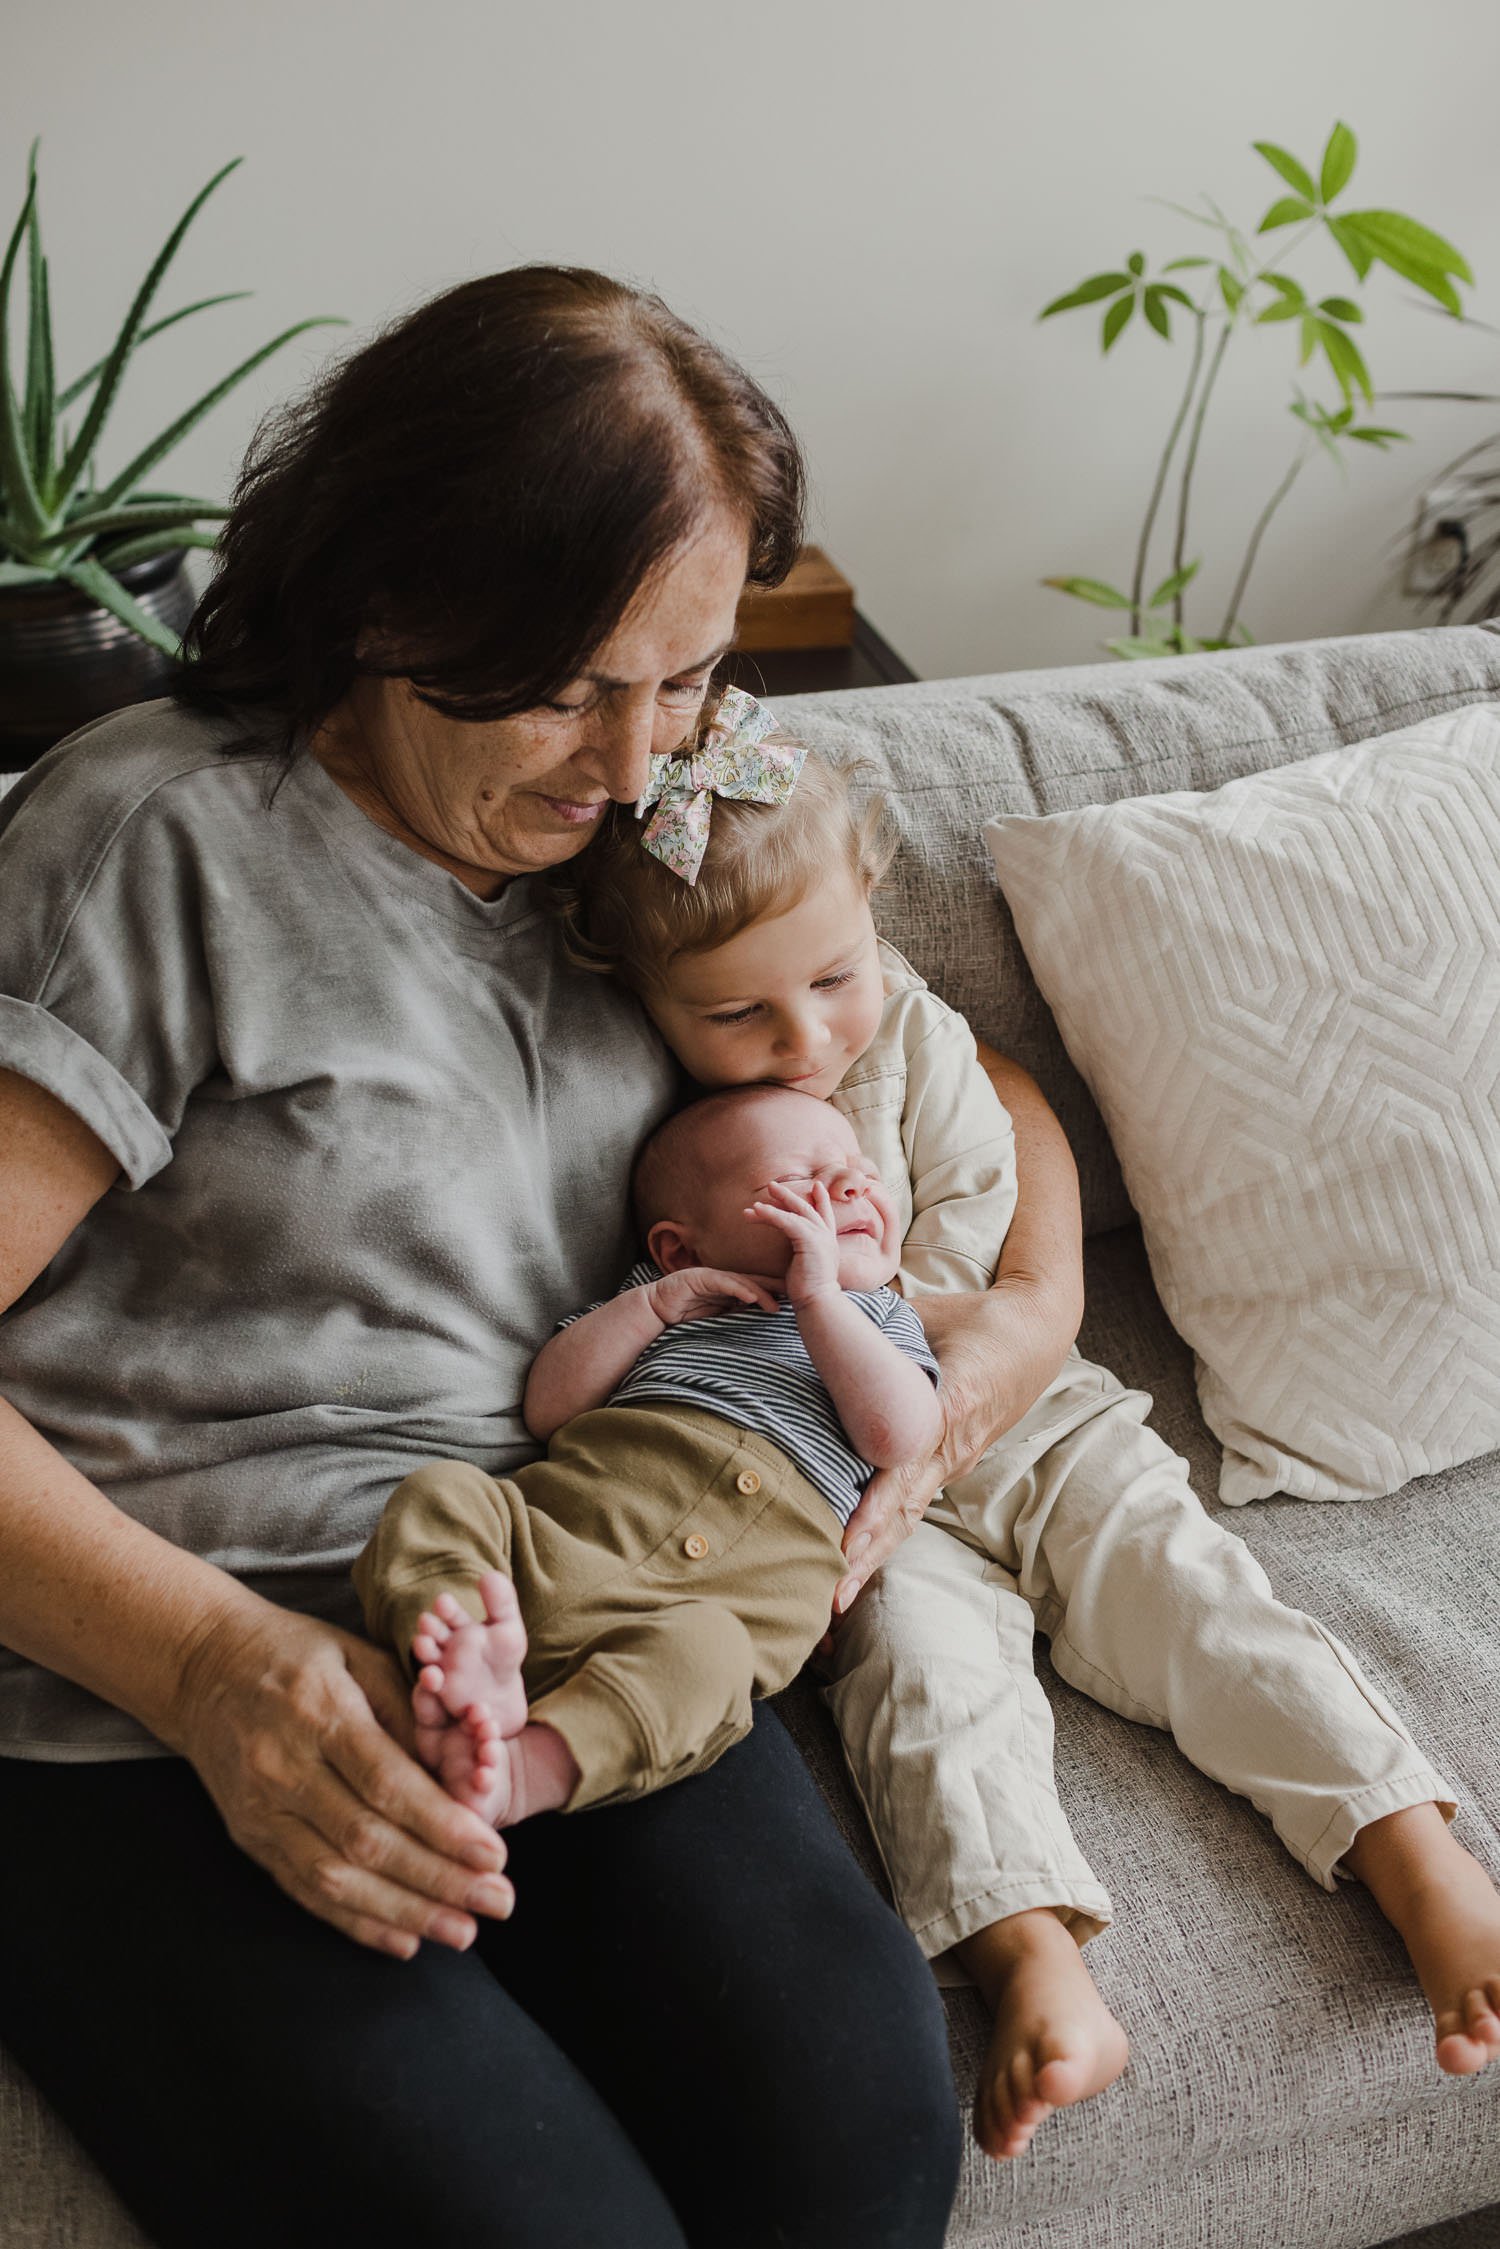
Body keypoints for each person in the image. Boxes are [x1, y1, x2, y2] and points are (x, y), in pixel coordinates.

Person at [0, 266, 1112, 2248]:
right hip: (143, 1684)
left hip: (567, 1595)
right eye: (568, 681)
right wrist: (209, 1661)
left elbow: (968, 1065)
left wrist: (1008, 1339)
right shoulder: (150, 840)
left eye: (680, 675)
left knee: (855, 2143)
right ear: (387, 594)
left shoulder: (663, 834)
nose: (628, 756)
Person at [570, 719, 1500, 2166]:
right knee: (926, 1698)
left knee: (1200, 1602)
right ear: (648, 1004)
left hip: (1038, 1423)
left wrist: (948, 1313)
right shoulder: (653, 1127)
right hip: (867, 1492)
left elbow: (997, 1218)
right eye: (738, 1016)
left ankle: (1414, 1852)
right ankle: (1032, 1963)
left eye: (832, 978)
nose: (808, 1040)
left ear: (872, 912)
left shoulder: (922, 1039)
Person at [354, 1085, 943, 1827]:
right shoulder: (666, 1297)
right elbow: (550, 1404)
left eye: (861, 1169)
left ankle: (528, 1767)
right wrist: (656, 1305)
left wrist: (820, 1296)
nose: (851, 1184)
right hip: (557, 1544)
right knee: (441, 1493)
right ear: (680, 1247)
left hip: (714, 1611)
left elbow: (898, 1435)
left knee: (711, 1666)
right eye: (798, 1179)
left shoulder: (883, 1319)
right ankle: (460, 1648)